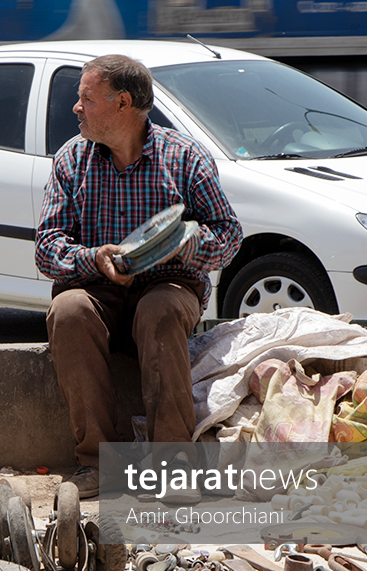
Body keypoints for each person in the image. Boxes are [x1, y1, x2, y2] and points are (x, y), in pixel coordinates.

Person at [35, 54, 243, 501]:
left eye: (86, 98)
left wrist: (184, 242)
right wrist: (96, 258)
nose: (76, 108)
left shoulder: (184, 158)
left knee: (161, 308)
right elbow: (47, 248)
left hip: (168, 287)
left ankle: (173, 466)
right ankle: (96, 462)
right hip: (96, 288)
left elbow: (229, 234)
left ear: (123, 103)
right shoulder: (72, 160)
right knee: (68, 310)